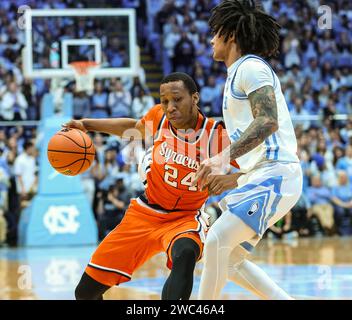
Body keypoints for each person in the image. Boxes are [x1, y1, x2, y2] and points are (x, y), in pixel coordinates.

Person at [63, 72, 239, 300]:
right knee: (85, 293)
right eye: (164, 101)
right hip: (144, 213)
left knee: (185, 253)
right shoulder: (159, 118)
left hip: (184, 218)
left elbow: (263, 167)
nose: (170, 107)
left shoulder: (217, 137)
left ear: (195, 98)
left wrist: (232, 179)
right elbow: (134, 127)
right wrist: (86, 124)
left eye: (177, 99)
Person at [193, 0, 303, 300]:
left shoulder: (251, 67)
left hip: (278, 173)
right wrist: (236, 177)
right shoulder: (237, 74)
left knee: (215, 240)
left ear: (231, 35)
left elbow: (268, 122)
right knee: (227, 262)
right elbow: (259, 140)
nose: (211, 39)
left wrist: (221, 159)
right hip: (264, 173)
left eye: (215, 32)